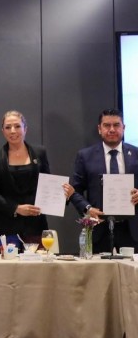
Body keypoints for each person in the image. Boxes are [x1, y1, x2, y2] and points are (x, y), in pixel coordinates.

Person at [0, 110, 74, 251]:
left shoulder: (39, 152)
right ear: (2, 131)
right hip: (6, 226)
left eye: (17, 126)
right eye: (8, 127)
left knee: (37, 265)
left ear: (25, 128)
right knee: (8, 265)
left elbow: (48, 185)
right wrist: (16, 208)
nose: (13, 131)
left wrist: (64, 195)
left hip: (35, 225)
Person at [70, 108, 138, 253]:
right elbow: (74, 190)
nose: (112, 129)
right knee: (98, 268)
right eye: (107, 125)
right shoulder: (85, 156)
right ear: (99, 129)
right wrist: (87, 209)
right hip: (98, 227)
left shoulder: (136, 154)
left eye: (116, 125)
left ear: (124, 128)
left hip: (132, 229)